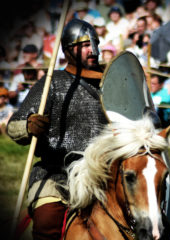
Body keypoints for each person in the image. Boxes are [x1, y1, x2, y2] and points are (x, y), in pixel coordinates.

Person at [6, 19, 108, 240]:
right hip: (56, 175)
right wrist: (29, 125)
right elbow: (13, 126)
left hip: (102, 175)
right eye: (84, 45)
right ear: (68, 51)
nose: (92, 50)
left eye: (94, 44)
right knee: (47, 222)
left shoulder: (110, 85)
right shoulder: (53, 82)